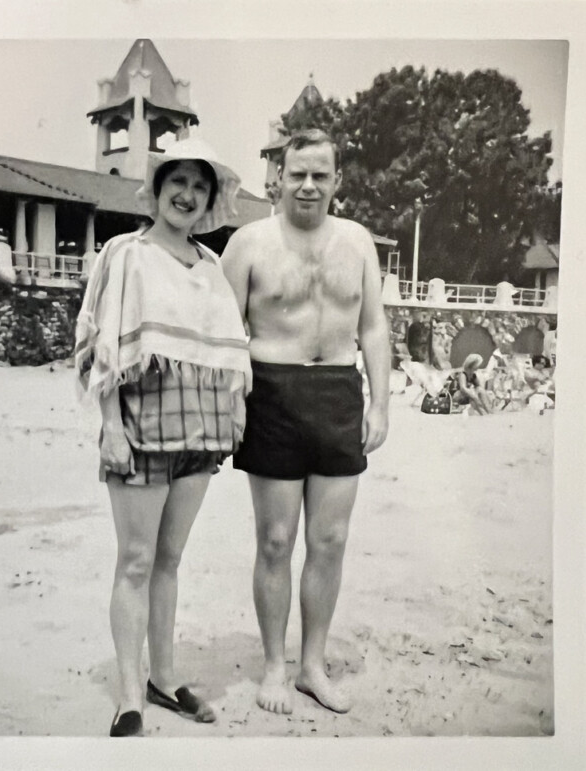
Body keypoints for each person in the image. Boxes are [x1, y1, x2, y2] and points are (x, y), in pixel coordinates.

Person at [74, 138, 251, 737]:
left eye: (199, 186)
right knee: (135, 561)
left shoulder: (211, 267)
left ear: (210, 199)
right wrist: (112, 427)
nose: (187, 194)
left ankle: (165, 678)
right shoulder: (126, 254)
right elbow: (101, 346)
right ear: (156, 189)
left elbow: (221, 350)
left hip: (198, 431)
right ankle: (129, 695)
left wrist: (229, 422)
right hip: (140, 427)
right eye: (177, 181)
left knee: (170, 560)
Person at [221, 129, 390, 715]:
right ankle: (274, 666)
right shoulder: (248, 243)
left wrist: (381, 403)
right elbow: (222, 333)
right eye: (298, 174)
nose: (309, 185)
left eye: (321, 174)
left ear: (337, 180)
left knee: (331, 540)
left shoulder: (358, 241)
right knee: (275, 541)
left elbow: (372, 325)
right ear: (279, 177)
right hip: (271, 393)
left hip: (339, 392)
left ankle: (311, 666)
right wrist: (230, 401)